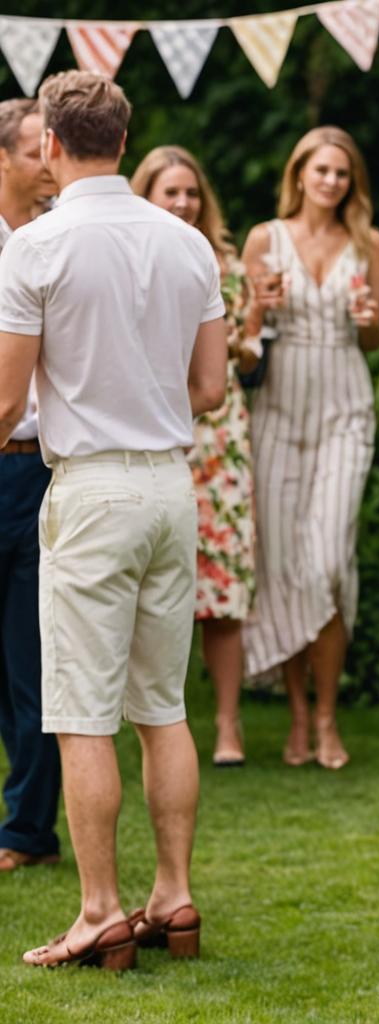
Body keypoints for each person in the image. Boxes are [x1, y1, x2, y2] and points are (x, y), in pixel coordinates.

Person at [0, 70, 227, 969]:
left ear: (51, 144)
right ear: (126, 143)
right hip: (173, 487)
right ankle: (172, 896)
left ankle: (100, 910)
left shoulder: (36, 247)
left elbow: (6, 398)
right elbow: (209, 388)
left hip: (92, 489)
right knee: (163, 708)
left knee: (82, 713)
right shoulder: (189, 244)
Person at [241, 126, 379, 770]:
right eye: (321, 171)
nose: (331, 182)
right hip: (275, 409)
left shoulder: (369, 242)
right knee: (281, 565)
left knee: (327, 561)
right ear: (299, 173)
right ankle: (298, 715)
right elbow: (246, 341)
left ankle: (328, 716)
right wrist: (255, 308)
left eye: (342, 173)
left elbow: (376, 338)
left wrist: (371, 323)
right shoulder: (264, 240)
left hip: (343, 408)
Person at [131, 146, 258, 768]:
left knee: (223, 585)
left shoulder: (227, 265)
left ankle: (229, 725)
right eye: (168, 192)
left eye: (190, 193)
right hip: (154, 430)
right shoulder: (128, 261)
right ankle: (158, 718)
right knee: (153, 582)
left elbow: (250, 358)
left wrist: (250, 332)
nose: (182, 203)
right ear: (144, 196)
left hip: (221, 435)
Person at [0, 98, 61, 874]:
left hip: (41, 464)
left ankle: (27, 830)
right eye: (34, 148)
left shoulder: (57, 243)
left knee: (33, 657)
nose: (52, 159)